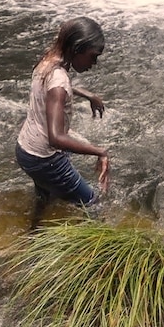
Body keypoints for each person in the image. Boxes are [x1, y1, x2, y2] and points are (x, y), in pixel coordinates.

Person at [15, 16, 110, 228]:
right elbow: (56, 138)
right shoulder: (59, 81)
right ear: (77, 48)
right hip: (44, 158)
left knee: (45, 197)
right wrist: (99, 151)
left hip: (25, 150)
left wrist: (87, 94)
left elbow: (55, 87)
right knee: (92, 204)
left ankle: (33, 238)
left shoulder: (48, 61)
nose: (94, 64)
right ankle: (96, 254)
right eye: (92, 57)